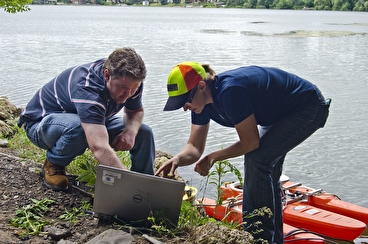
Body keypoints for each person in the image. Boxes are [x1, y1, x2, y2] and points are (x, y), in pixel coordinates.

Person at [155, 62, 330, 243]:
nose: (184, 107)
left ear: (201, 86)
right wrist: (178, 159)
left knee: (258, 159)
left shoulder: (230, 91)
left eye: (185, 100)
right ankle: (272, 240)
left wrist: (213, 157)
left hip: (308, 107)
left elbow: (251, 143)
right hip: (279, 114)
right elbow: (194, 147)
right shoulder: (201, 104)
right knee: (267, 169)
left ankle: (256, 237)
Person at [18, 47, 155, 192]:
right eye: (123, 88)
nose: (128, 94)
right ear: (107, 75)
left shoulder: (130, 82)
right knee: (78, 127)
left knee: (144, 132)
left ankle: (145, 188)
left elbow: (135, 111)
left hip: (87, 119)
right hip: (40, 125)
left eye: (134, 89)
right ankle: (54, 165)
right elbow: (99, 147)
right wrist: (127, 182)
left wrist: (130, 132)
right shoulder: (87, 87)